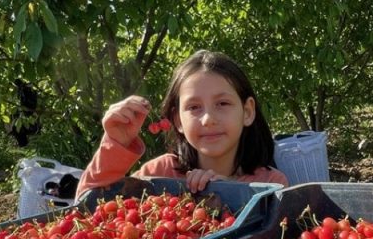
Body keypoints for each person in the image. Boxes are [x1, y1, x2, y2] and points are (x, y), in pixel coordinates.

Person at [75, 50, 288, 200]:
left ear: (247, 112)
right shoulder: (159, 174)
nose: (208, 119)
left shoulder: (271, 183)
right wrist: (115, 144)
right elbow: (87, 211)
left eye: (222, 103)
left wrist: (229, 194)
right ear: (177, 120)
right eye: (194, 107)